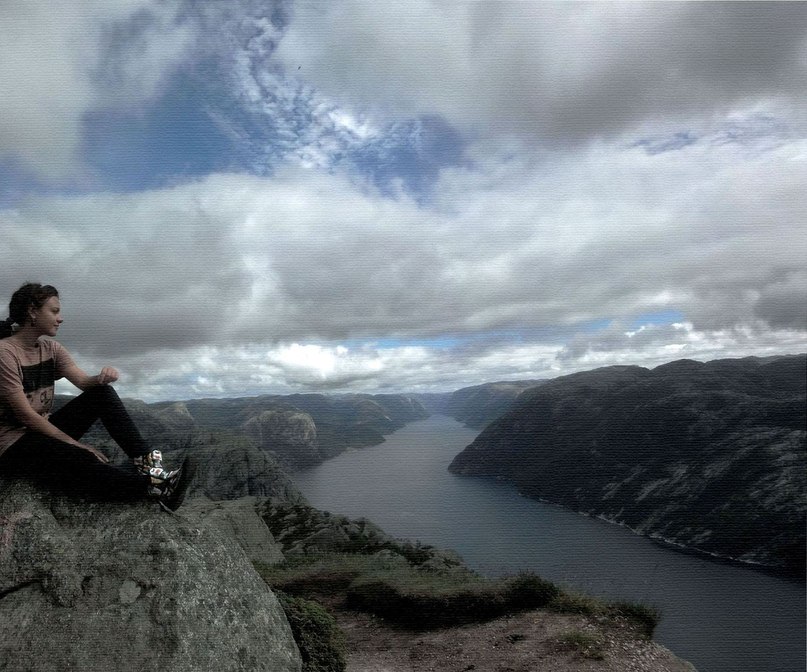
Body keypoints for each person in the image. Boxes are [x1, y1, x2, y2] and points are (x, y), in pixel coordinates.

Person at [0, 282, 187, 509]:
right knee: (82, 459)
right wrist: (75, 444)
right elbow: (26, 416)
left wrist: (100, 378)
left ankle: (148, 466)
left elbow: (83, 382)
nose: (60, 318)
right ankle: (152, 487)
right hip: (12, 445)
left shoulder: (51, 349)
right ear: (32, 311)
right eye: (54, 311)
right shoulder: (5, 353)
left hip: (41, 431)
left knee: (102, 393)